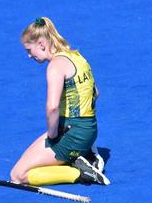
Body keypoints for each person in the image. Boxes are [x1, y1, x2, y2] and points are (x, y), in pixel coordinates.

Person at [12, 17, 108, 187]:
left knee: (18, 175)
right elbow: (96, 93)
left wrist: (53, 135)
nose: (29, 55)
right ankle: (86, 153)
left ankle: (80, 173)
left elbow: (52, 107)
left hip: (72, 133)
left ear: (41, 44)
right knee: (26, 161)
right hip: (89, 130)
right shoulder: (77, 57)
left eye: (29, 49)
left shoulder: (55, 65)